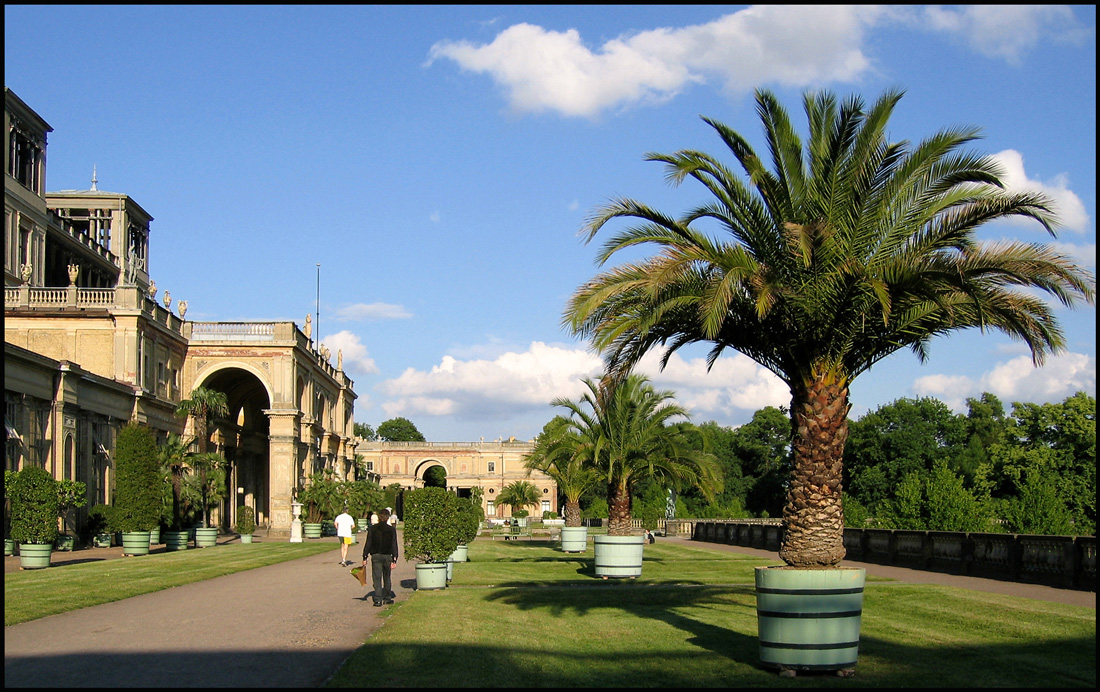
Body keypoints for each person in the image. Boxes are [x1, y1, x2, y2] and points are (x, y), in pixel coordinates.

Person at [362, 507, 399, 606]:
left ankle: (378, 599)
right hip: (387, 555)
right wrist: (395, 558)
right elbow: (394, 544)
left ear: (379, 517)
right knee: (387, 577)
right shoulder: (391, 530)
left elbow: (368, 543)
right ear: (387, 518)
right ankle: (387, 597)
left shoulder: (373, 529)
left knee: (377, 577)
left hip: (376, 555)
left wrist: (365, 556)